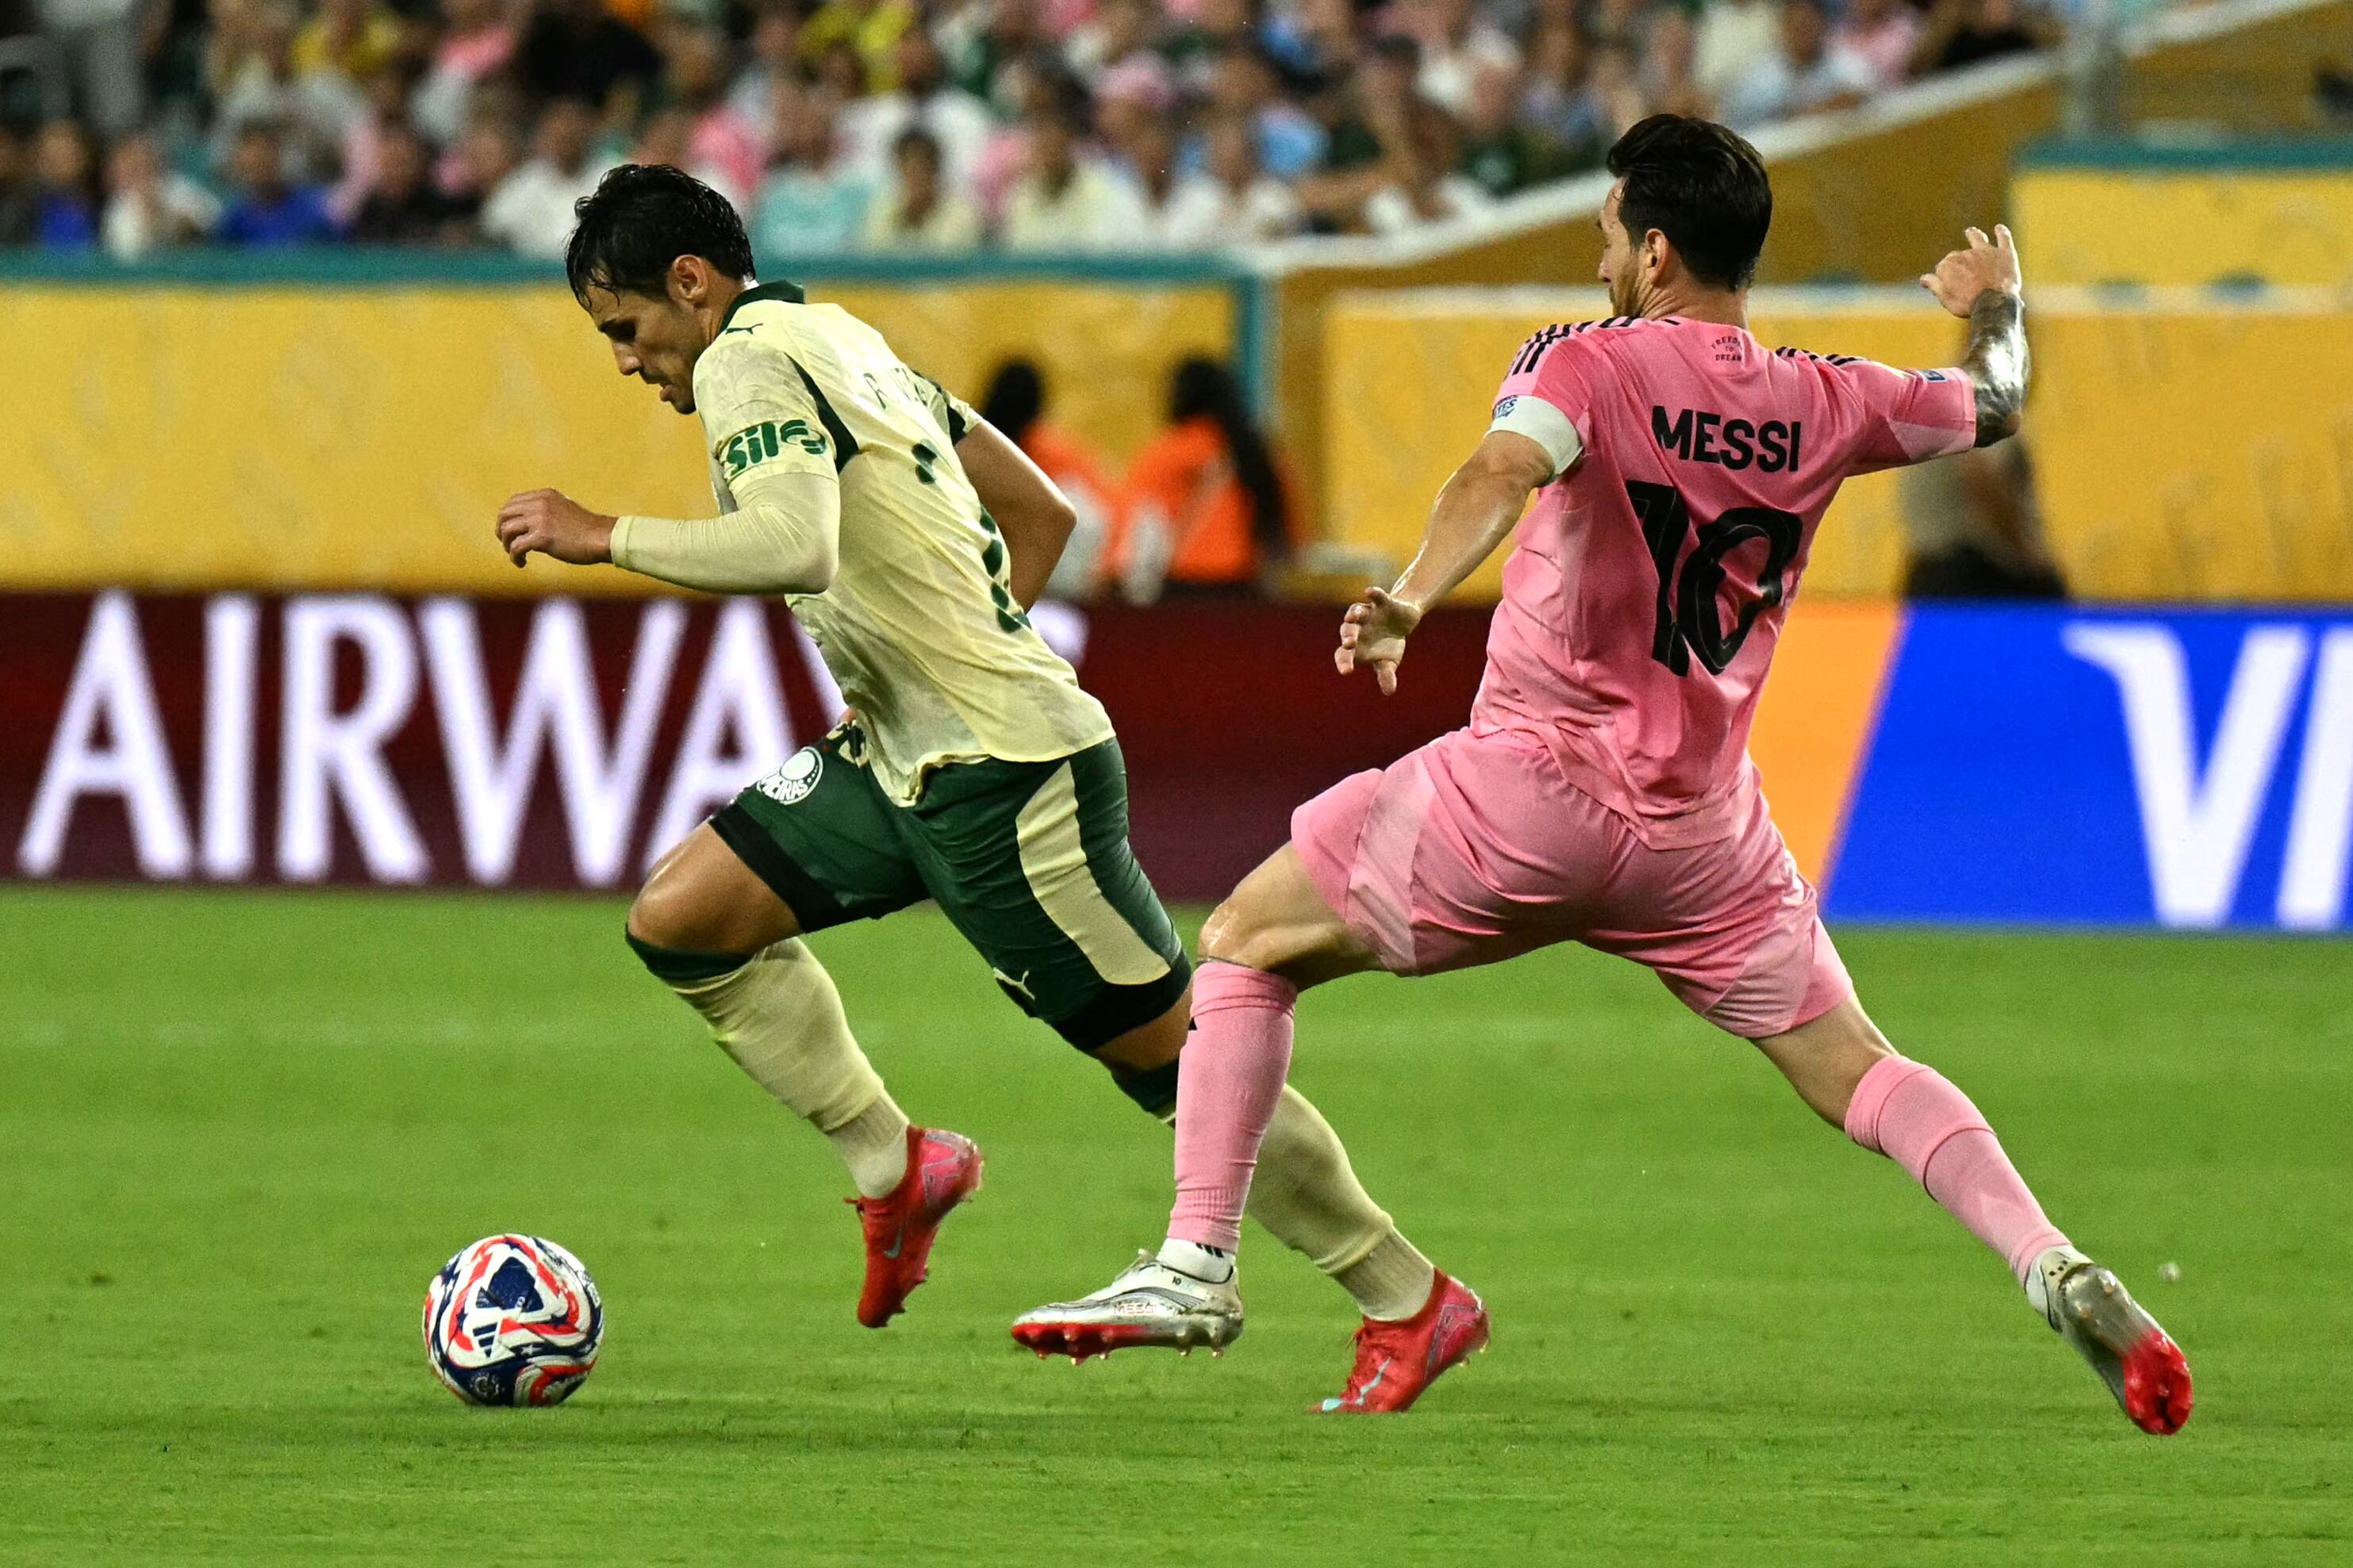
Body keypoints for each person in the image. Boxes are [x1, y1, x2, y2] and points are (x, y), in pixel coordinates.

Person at [1019, 115, 2196, 1436]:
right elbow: (1998, 397)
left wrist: (1409, 596)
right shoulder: (1830, 396)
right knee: (1856, 1067)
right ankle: (2052, 1260)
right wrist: (2000, 305)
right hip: (1703, 836)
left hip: (1526, 795)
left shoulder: (1588, 368)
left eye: (1605, 237)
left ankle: (1198, 1261)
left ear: (1654, 246)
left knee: (1240, 944)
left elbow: (1499, 469)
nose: (1598, 260)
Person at [490, 165, 1453, 1379]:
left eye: (625, 331)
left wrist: (600, 534)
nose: (627, 363)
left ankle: (1404, 1294)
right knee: (684, 920)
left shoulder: (745, 358)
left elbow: (796, 540)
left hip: (1003, 780)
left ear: (690, 284)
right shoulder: (850, 342)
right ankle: (899, 1168)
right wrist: (952, 648)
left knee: (1174, 1061)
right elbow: (1041, 513)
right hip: (904, 752)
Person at [1111, 358, 1291, 601]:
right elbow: (1286, 531)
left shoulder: (1169, 451)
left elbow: (1134, 519)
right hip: (1244, 589)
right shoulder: (1258, 454)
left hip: (1181, 587)